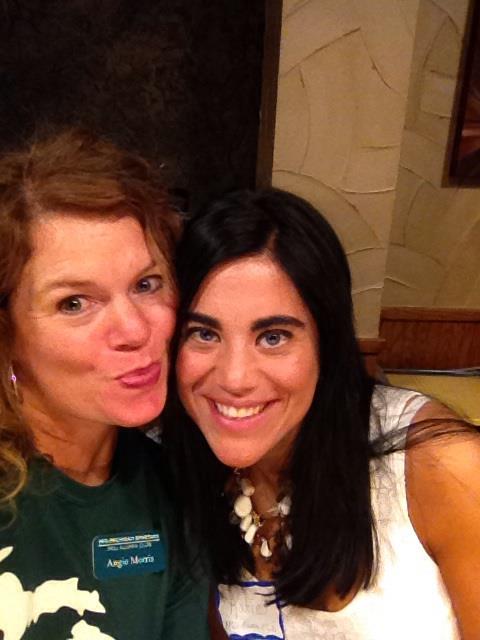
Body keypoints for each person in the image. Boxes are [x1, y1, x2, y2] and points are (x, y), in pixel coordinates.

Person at [164, 188, 480, 640]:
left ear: (326, 344)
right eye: (203, 333)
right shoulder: (178, 471)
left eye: (273, 337)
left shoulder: (443, 465)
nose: (235, 378)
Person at [0, 128, 210, 639]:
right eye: (74, 303)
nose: (135, 330)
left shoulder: (173, 489)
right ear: (8, 334)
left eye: (146, 284)